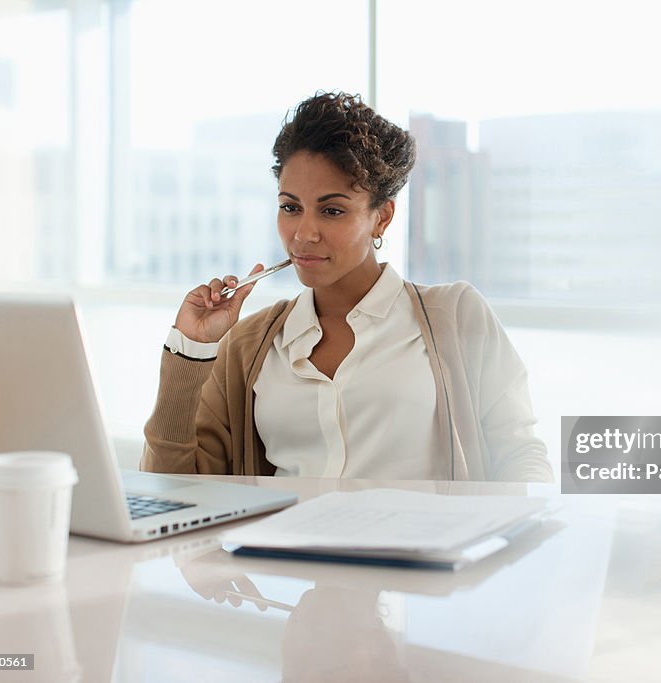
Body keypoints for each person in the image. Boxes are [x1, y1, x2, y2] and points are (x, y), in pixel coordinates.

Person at [141, 91, 553, 482]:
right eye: (290, 207)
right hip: (280, 556)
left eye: (332, 210)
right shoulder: (249, 346)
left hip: (418, 553)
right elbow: (174, 491)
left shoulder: (456, 316)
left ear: (381, 217)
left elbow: (520, 455)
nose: (304, 234)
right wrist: (191, 348)